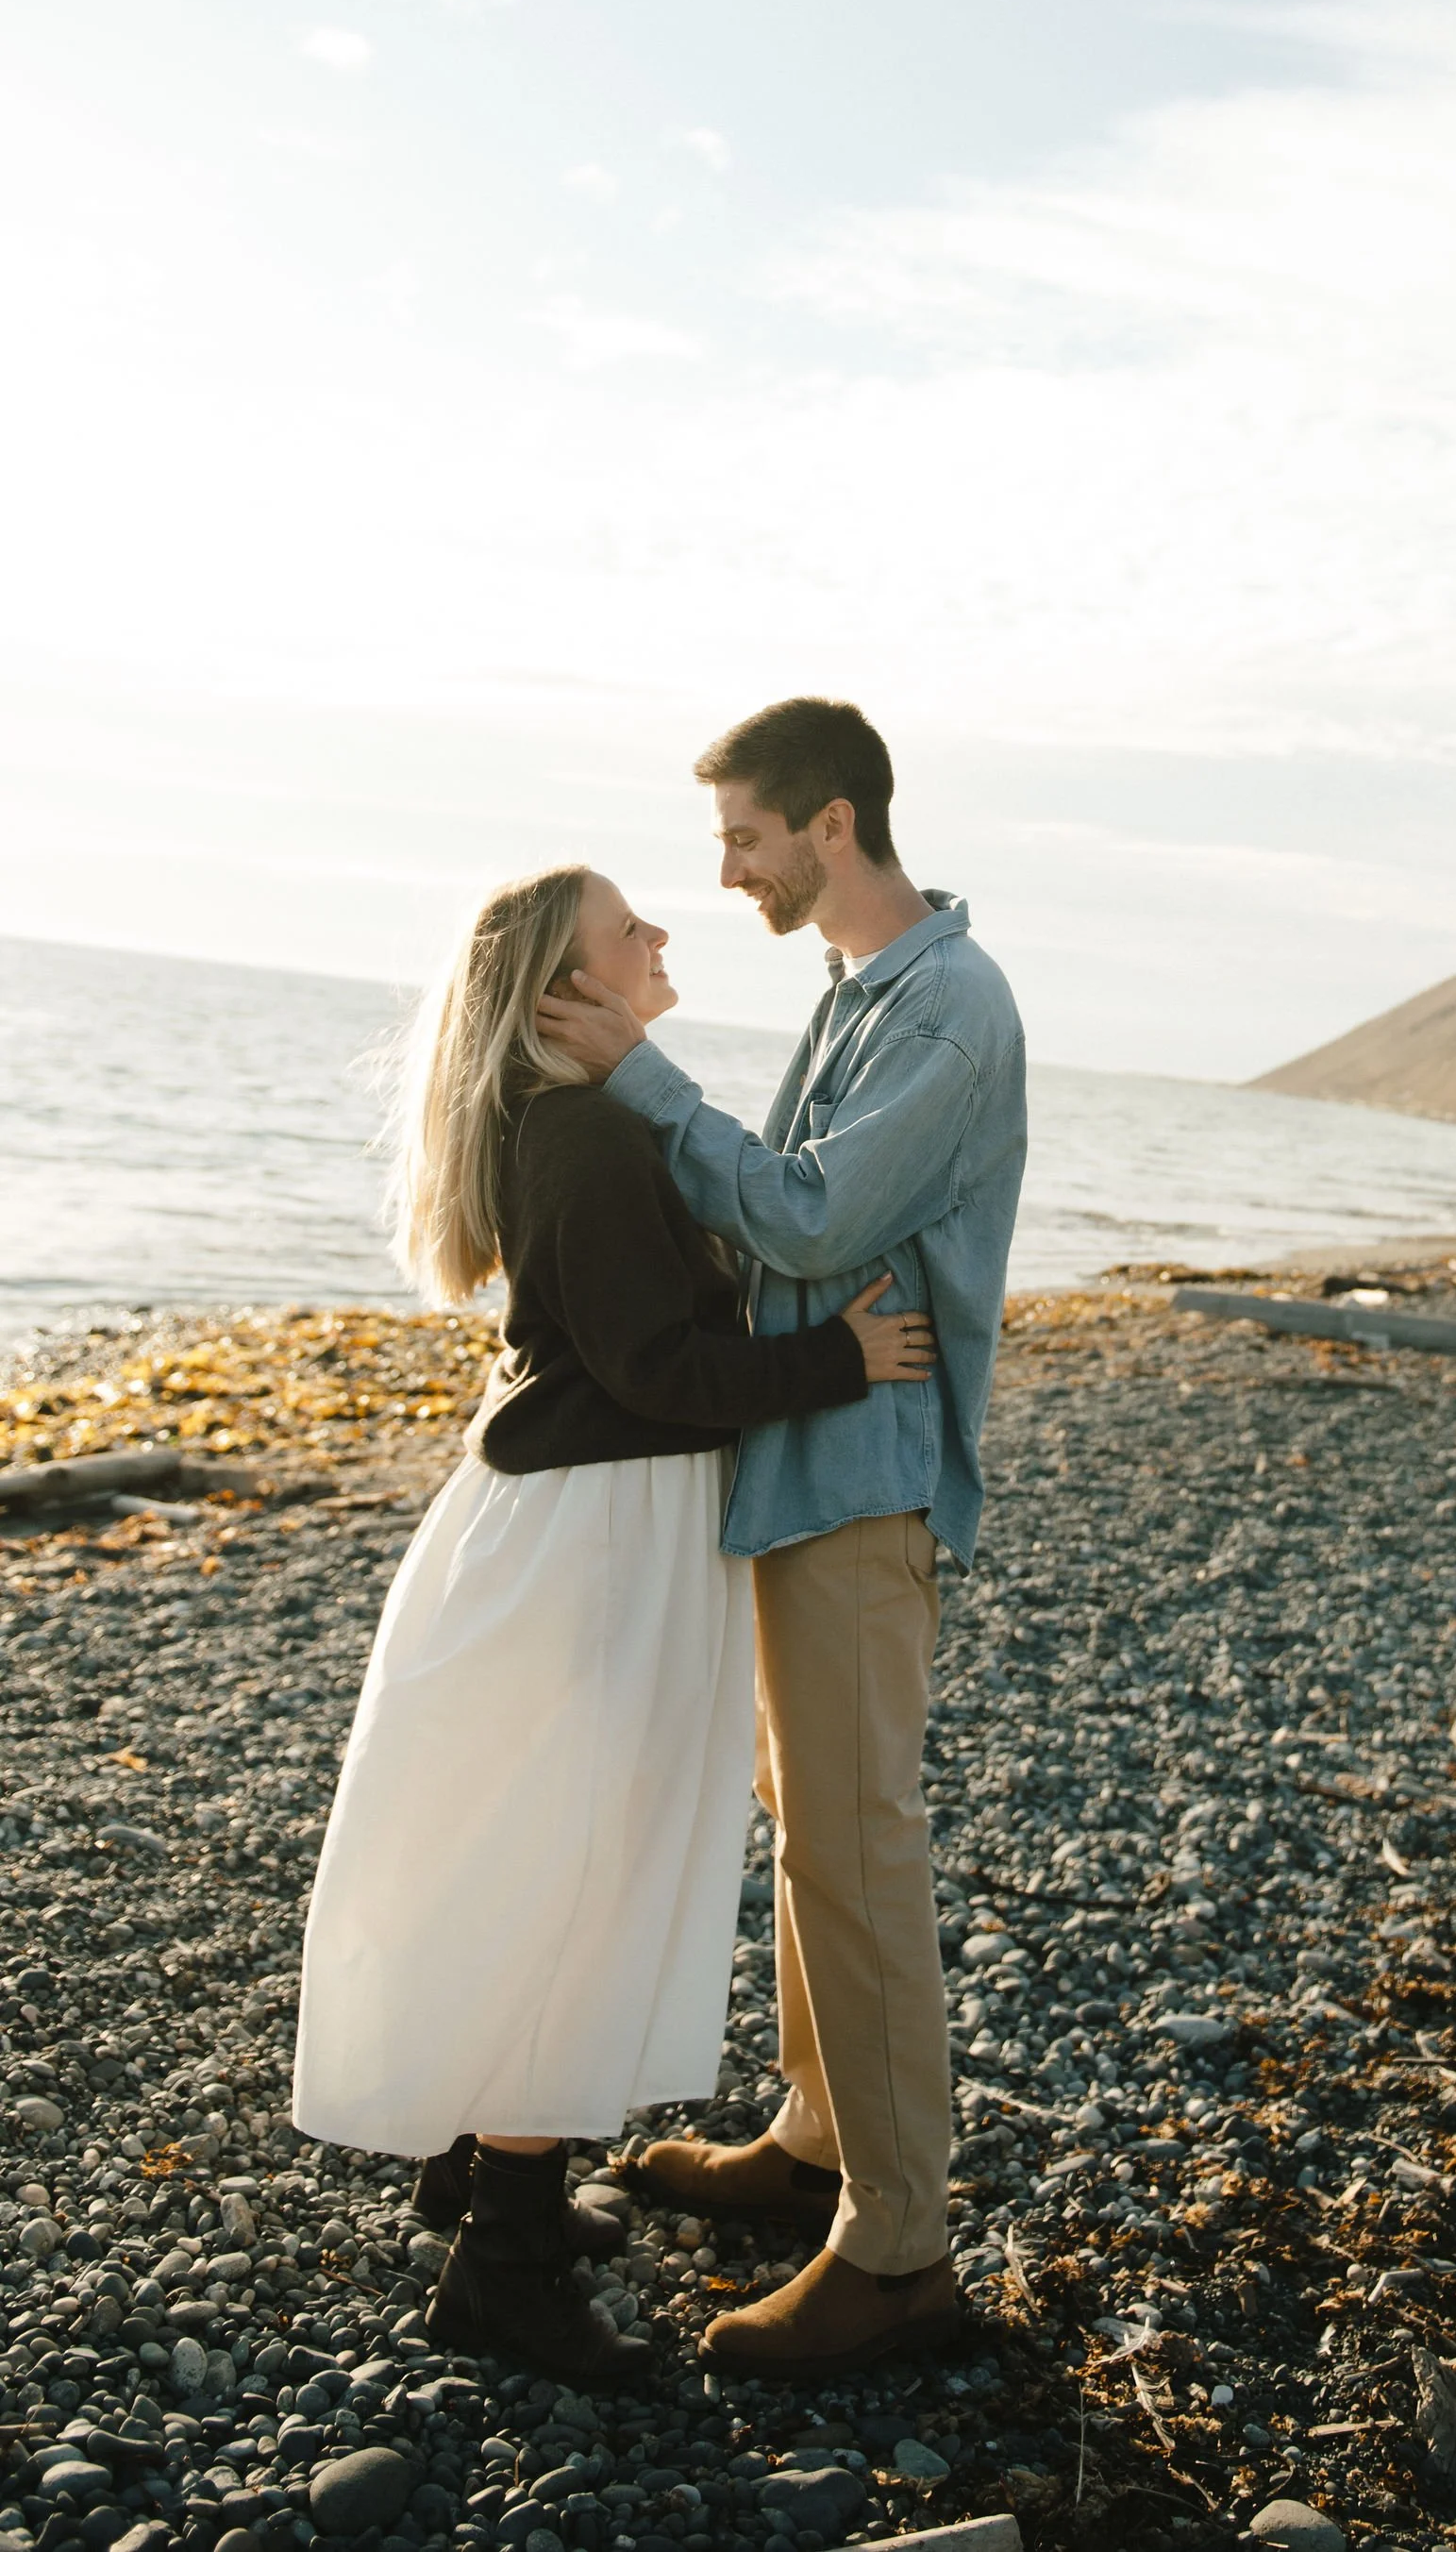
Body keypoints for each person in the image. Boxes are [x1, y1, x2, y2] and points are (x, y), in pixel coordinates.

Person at [291, 861, 934, 2391]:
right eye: (625, 933)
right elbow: (656, 1365)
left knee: (544, 1838)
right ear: (559, 994)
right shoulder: (580, 1132)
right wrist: (841, 1359)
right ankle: (501, 2260)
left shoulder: (580, 1118)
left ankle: (478, 2164)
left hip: (582, 1518)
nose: (659, 939)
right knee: (585, 1861)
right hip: (597, 1528)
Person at [536, 697, 1026, 2381]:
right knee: (812, 1828)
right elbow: (792, 1236)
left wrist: (640, 1079)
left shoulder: (945, 1010)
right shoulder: (865, 993)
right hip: (805, 1457)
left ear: (831, 824)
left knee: (859, 1848)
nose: (726, 868)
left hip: (862, 1474)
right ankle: (820, 2135)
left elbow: (812, 1212)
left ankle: (900, 2246)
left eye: (744, 836)